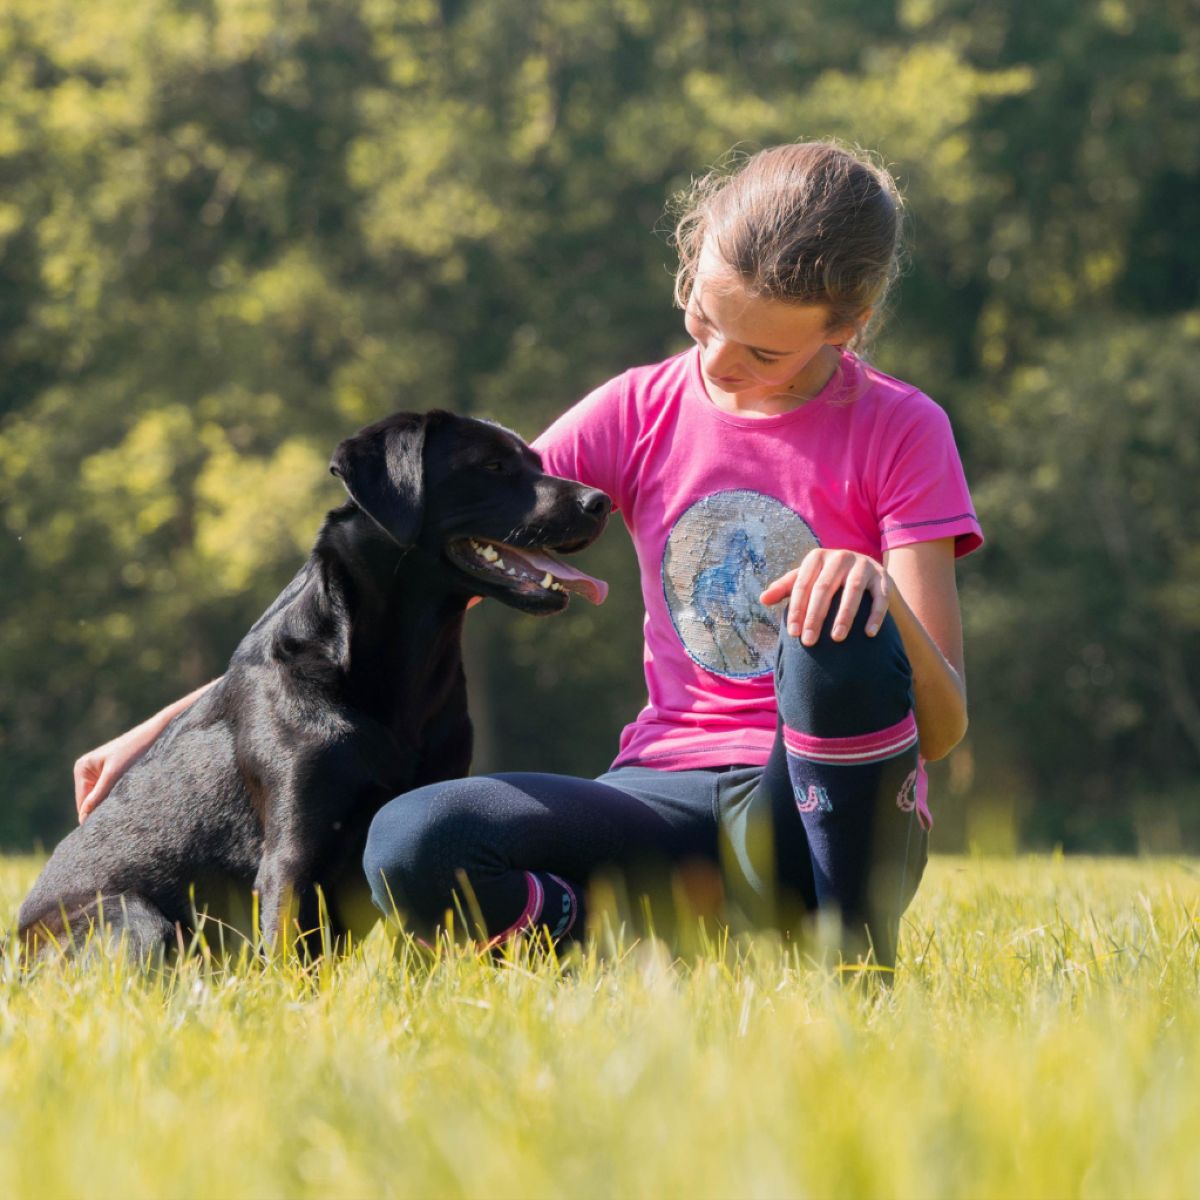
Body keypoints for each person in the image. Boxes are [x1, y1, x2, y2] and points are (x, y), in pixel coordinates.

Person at [75, 141, 982, 968]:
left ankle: (848, 958)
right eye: (703, 317)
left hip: (824, 813)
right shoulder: (644, 407)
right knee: (414, 839)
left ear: (847, 326)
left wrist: (872, 591)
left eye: (762, 350)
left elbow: (939, 728)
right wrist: (181, 721)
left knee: (843, 631)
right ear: (694, 255)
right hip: (660, 797)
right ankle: (627, 948)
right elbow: (423, 558)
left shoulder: (902, 430)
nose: (718, 359)